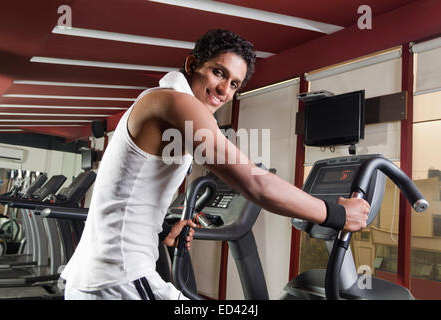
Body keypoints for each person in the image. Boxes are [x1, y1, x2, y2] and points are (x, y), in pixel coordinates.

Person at [61, 29, 370, 300]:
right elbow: (255, 184)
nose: (224, 90)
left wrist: (162, 231)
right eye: (218, 73)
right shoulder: (174, 102)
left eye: (234, 84)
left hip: (99, 279)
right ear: (192, 65)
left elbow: (128, 194)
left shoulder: (159, 102)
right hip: (121, 280)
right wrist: (338, 214)